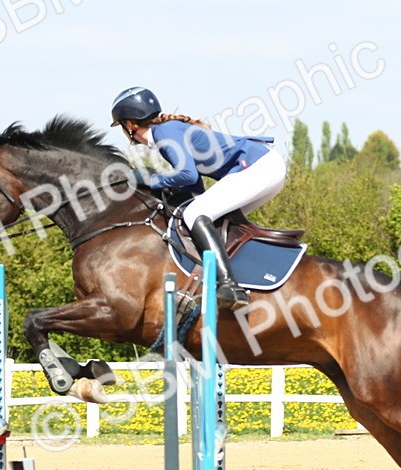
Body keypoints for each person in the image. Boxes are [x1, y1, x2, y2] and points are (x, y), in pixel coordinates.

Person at [110, 86, 287, 310]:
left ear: (129, 124)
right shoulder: (167, 131)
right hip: (265, 167)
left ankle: (229, 286)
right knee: (209, 218)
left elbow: (187, 174)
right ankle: (237, 278)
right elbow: (195, 187)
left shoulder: (164, 133)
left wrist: (151, 180)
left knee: (196, 213)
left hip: (258, 167)